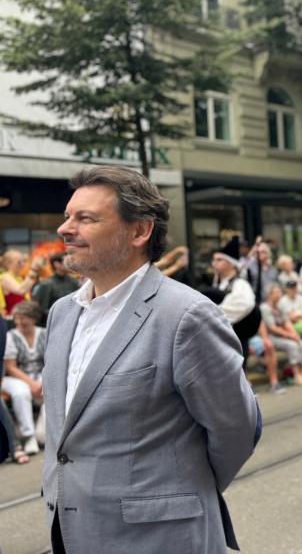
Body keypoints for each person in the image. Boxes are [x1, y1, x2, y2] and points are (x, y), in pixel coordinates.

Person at [44, 166, 260, 554]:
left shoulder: (186, 315)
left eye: (86, 218)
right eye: (67, 216)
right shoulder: (62, 312)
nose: (65, 228)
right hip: (71, 530)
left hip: (160, 538)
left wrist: (178, 493)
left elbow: (237, 429)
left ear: (140, 231)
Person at [2, 300, 46, 455]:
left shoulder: (44, 333)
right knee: (22, 392)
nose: (19, 322)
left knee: (51, 387)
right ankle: (29, 436)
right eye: (17, 318)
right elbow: (10, 367)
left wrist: (42, 381)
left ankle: (44, 433)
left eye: (23, 318)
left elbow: (51, 361)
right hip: (15, 377)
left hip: (39, 373)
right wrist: (32, 384)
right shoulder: (11, 336)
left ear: (33, 318)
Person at [209, 236, 260, 369]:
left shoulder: (240, 284)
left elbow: (244, 305)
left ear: (231, 263)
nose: (214, 263)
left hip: (236, 340)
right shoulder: (218, 285)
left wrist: (212, 316)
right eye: (214, 259)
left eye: (219, 259)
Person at [261, 284, 302, 386]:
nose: (280, 294)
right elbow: (273, 328)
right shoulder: (265, 308)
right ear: (270, 295)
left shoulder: (279, 306)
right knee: (292, 345)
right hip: (272, 336)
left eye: (280, 292)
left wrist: (294, 334)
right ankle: (296, 375)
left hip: (283, 334)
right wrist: (290, 336)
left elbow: (286, 322)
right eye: (277, 292)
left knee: (300, 342)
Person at [33, 253, 80, 322]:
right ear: (57, 264)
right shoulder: (47, 285)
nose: (70, 263)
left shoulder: (74, 282)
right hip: (54, 322)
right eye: (66, 260)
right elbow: (41, 309)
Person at [1, 250, 45, 320]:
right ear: (8, 264)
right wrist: (33, 269)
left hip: (22, 316)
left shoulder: (19, 278)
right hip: (12, 318)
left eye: (23, 261)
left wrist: (36, 270)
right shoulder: (5, 277)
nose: (22, 265)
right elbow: (21, 290)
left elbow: (26, 289)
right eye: (19, 262)